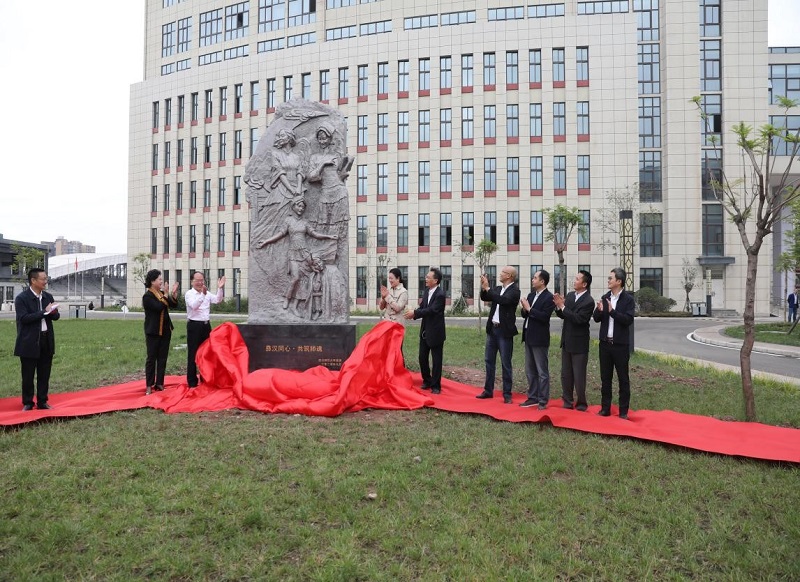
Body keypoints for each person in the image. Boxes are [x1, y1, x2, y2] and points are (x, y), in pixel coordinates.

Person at [257, 196, 338, 317]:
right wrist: (266, 241)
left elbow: (315, 234)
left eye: (303, 207)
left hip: (305, 254)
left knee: (307, 281)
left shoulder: (305, 222)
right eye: (299, 206)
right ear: (293, 206)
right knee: (295, 278)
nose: (301, 209)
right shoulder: (288, 221)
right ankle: (287, 299)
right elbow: (280, 234)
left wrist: (329, 236)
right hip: (293, 253)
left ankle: (301, 307)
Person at [593, 268, 636, 419]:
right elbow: (596, 319)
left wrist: (612, 312)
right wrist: (599, 310)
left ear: (619, 281)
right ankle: (605, 409)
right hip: (605, 344)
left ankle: (623, 411)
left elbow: (627, 320)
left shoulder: (628, 299)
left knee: (623, 378)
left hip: (620, 345)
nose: (608, 281)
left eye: (610, 278)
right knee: (605, 378)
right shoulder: (605, 297)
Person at [14, 268, 60, 411]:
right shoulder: (22, 298)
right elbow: (24, 319)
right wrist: (44, 312)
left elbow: (55, 317)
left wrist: (53, 312)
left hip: (46, 340)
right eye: (43, 279)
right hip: (29, 342)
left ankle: (42, 401)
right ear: (33, 281)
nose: (46, 281)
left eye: (46, 279)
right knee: (28, 374)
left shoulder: (48, 296)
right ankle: (28, 402)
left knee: (44, 373)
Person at [475, 266, 520, 404]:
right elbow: (486, 297)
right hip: (492, 330)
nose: (500, 274)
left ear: (509, 276)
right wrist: (484, 287)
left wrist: (489, 289)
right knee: (489, 361)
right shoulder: (499, 289)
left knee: (505, 363)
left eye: (503, 272)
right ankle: (488, 390)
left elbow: (503, 301)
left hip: (504, 331)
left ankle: (507, 394)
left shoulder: (514, 291)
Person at [553, 270, 594, 411]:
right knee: (566, 374)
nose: (574, 281)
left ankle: (581, 403)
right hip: (567, 341)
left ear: (584, 284)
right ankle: (567, 400)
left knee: (579, 375)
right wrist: (558, 306)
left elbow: (578, 319)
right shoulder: (570, 296)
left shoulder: (589, 301)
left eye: (577, 279)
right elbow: (564, 315)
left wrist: (563, 307)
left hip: (579, 344)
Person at [404, 267, 446, 394]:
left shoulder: (440, 294)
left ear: (436, 280)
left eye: (428, 277)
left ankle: (436, 385)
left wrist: (415, 313)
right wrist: (414, 314)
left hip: (436, 332)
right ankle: (427, 380)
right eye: (426, 277)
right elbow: (423, 307)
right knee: (422, 357)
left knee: (437, 360)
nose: (426, 279)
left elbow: (432, 310)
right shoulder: (427, 291)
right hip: (425, 331)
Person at [519, 269, 556, 409]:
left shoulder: (549, 297)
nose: (532, 280)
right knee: (530, 370)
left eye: (535, 278)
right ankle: (532, 397)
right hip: (528, 335)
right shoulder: (531, 295)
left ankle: (543, 400)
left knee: (542, 371)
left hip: (540, 338)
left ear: (542, 281)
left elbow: (544, 317)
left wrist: (529, 309)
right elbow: (525, 315)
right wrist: (524, 308)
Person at [185, 271, 226, 388]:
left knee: (206, 353)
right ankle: (192, 382)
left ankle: (205, 378)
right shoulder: (189, 294)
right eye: (197, 280)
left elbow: (218, 300)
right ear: (192, 281)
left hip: (206, 326)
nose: (200, 283)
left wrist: (220, 288)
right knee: (193, 353)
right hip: (194, 326)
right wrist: (202, 295)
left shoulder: (207, 293)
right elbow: (194, 306)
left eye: (202, 280)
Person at [142, 269, 179, 395]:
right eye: (159, 279)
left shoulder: (162, 294)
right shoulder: (147, 296)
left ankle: (160, 383)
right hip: (153, 332)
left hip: (165, 331)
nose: (161, 281)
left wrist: (173, 294)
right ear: (152, 281)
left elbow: (173, 304)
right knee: (151, 359)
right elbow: (159, 307)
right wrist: (166, 295)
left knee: (162, 358)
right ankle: (149, 385)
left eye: (161, 279)